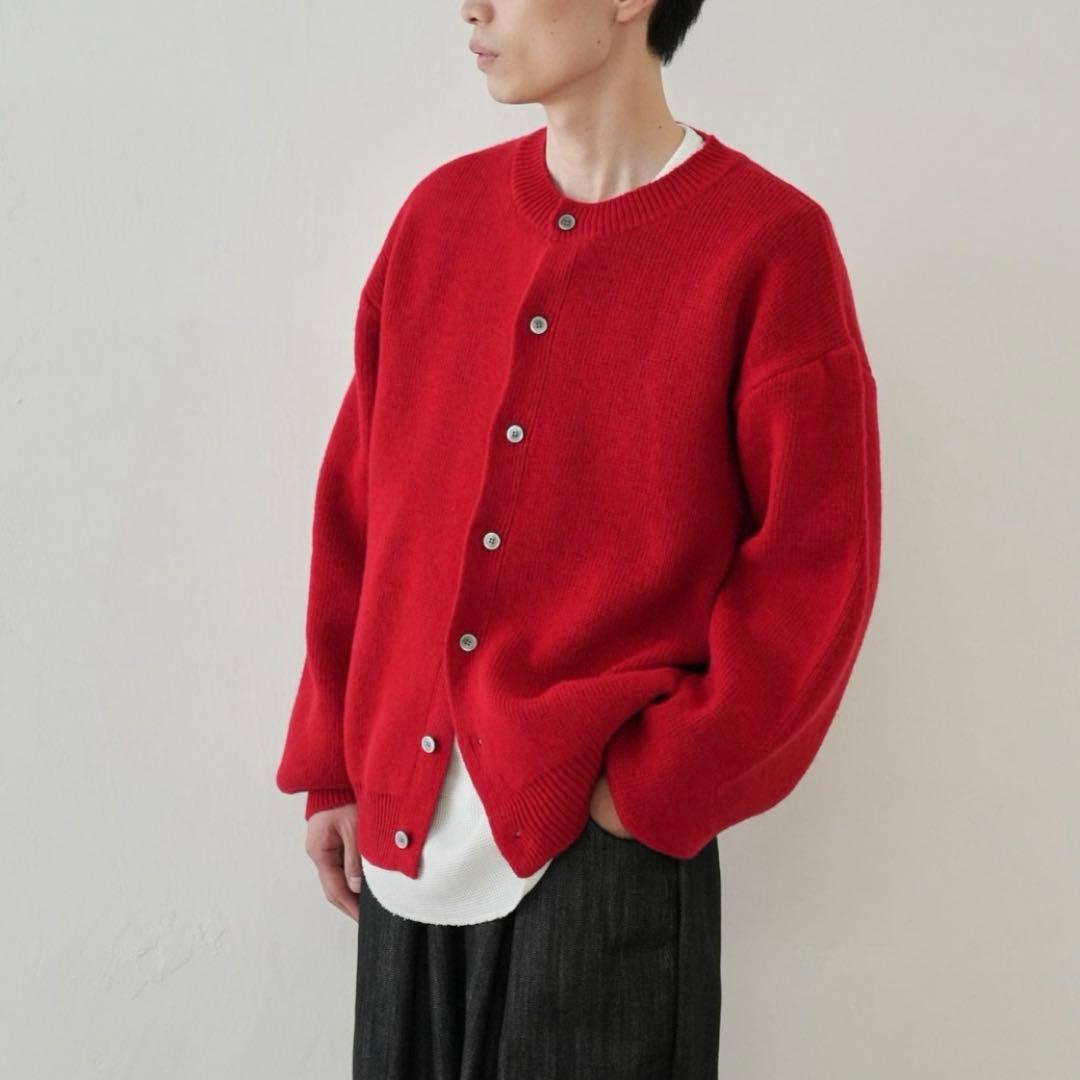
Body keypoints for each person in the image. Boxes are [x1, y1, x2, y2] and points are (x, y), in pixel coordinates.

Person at [275, 1, 882, 1076]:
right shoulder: (439, 220)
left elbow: (815, 565)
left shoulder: (766, 245)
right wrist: (333, 765)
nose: (473, 7)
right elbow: (360, 512)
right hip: (402, 841)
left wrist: (657, 787)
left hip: (600, 853)